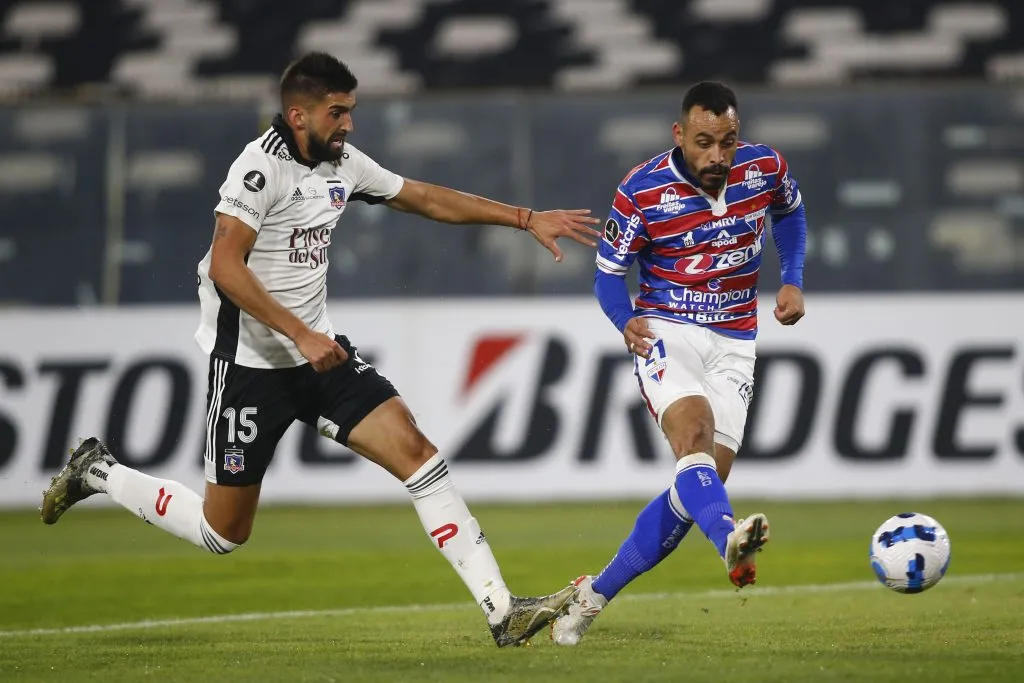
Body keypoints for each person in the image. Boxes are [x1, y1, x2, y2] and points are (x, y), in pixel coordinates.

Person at [41, 52, 601, 648]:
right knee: (222, 532)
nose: (349, 125)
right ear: (298, 115)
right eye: (338, 113)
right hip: (252, 369)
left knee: (418, 454)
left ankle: (502, 611)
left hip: (322, 360)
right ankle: (96, 471)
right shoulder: (257, 171)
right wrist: (299, 334)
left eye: (351, 111)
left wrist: (524, 217)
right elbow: (228, 267)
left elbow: (424, 199)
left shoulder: (341, 165)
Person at [550, 81, 807, 646]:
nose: (717, 156)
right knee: (693, 436)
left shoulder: (763, 168)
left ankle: (591, 598)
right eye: (704, 142)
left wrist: (792, 280)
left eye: (728, 142)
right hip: (668, 327)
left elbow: (790, 213)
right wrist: (625, 322)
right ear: (679, 135)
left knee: (698, 484)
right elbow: (608, 276)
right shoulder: (641, 191)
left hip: (737, 341)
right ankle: (729, 542)